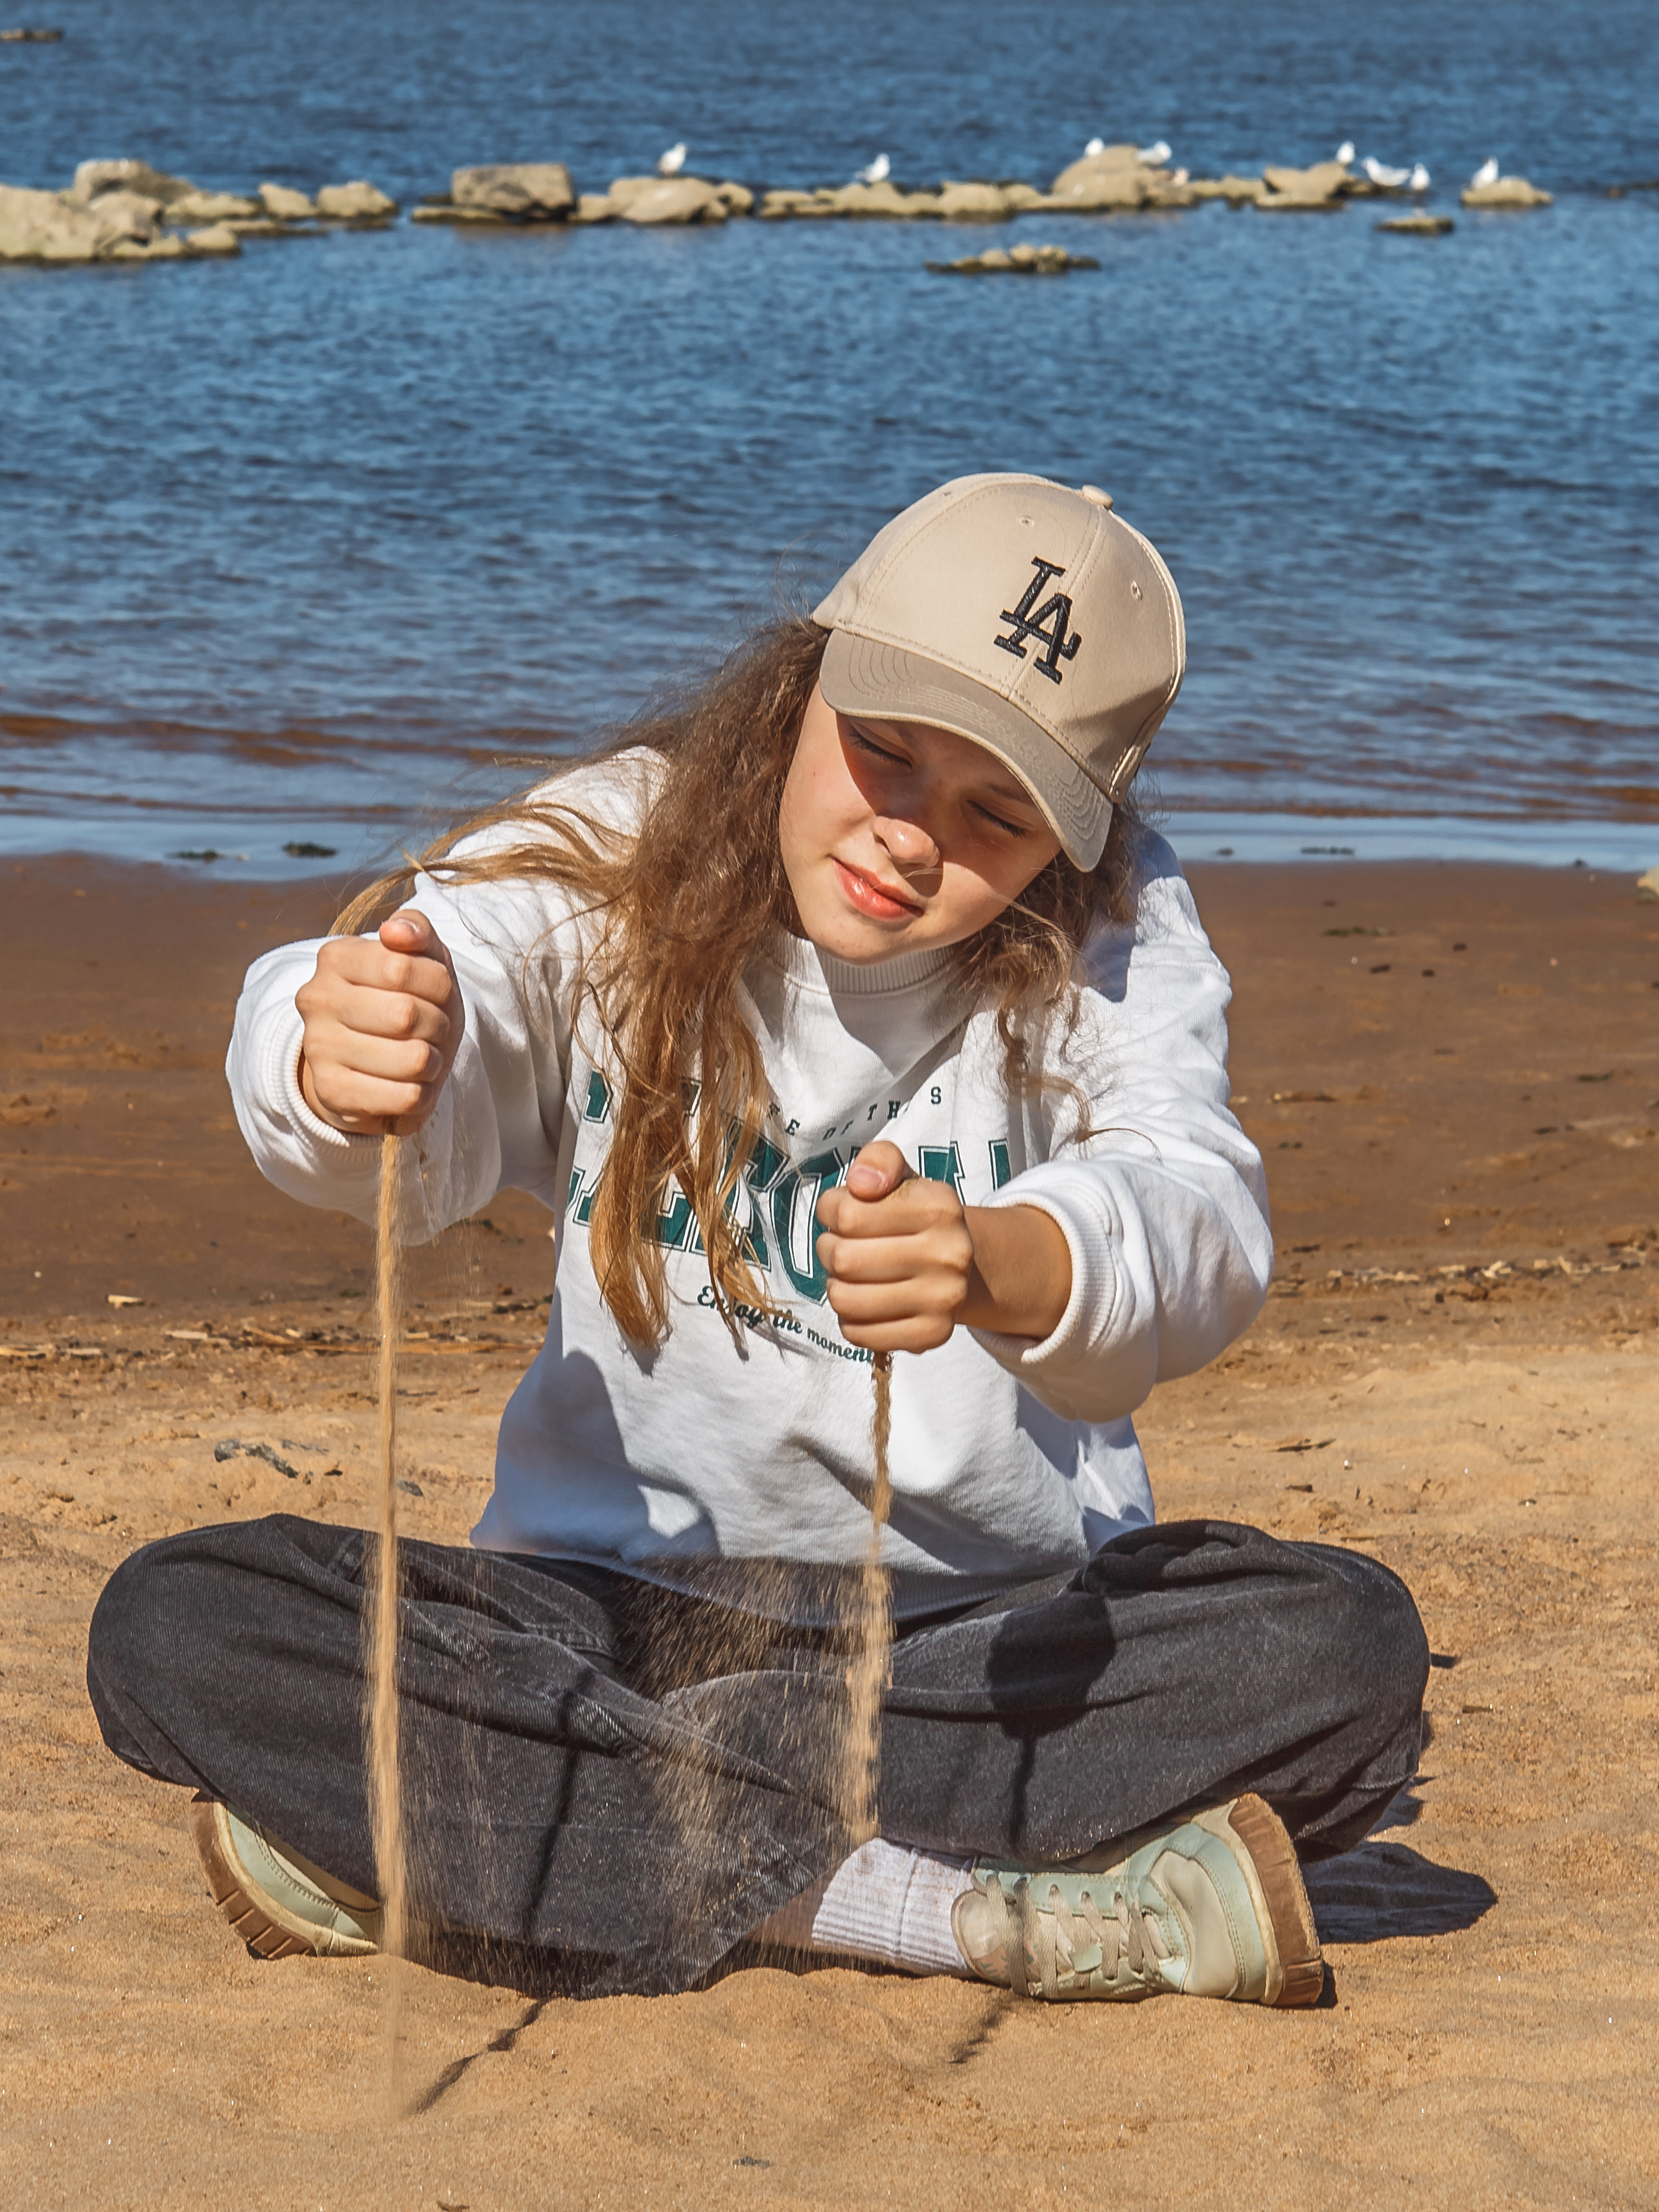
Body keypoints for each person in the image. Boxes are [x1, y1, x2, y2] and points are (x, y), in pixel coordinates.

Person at [87, 473, 1427, 2006]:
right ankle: (925, 1910)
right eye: (884, 753)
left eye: (995, 814)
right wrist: (338, 1050)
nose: (909, 837)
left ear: (1071, 844)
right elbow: (411, 970)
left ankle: (485, 1834)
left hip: (972, 1639)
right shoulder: (617, 842)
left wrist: (1007, 1258)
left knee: (1339, 1654)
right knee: (179, 1623)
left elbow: (1190, 1206)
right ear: (804, 678)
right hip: (598, 1609)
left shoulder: (1115, 939)